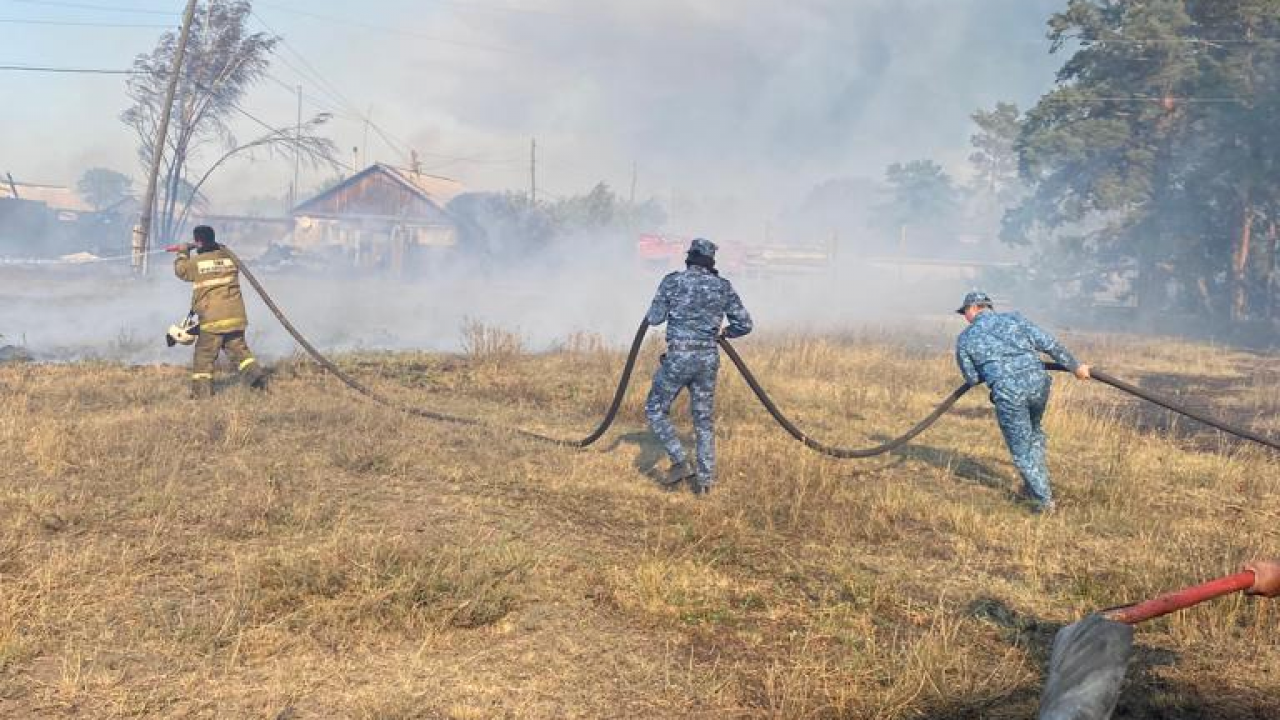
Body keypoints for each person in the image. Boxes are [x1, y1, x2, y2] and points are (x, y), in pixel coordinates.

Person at [954, 291, 1090, 514]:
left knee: (1021, 450)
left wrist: (993, 371)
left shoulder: (965, 339)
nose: (964, 317)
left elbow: (972, 378)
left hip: (1009, 394)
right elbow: (1050, 344)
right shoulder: (1015, 319)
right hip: (1039, 385)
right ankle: (1033, 484)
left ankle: (1043, 502)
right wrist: (1075, 366)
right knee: (1034, 433)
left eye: (964, 312)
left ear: (973, 309)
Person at [645, 238, 753, 495]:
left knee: (655, 409)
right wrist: (725, 332)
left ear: (689, 257)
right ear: (711, 261)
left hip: (679, 358)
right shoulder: (722, 287)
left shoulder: (672, 281)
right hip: (707, 360)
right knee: (703, 421)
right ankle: (705, 484)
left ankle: (680, 462)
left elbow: (654, 318)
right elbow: (745, 324)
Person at [174, 225, 266, 398]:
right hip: (235, 316)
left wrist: (182, 252)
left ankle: (202, 395)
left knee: (204, 356)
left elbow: (181, 271)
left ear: (198, 242)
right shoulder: (230, 258)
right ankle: (257, 380)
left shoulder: (197, 263)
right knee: (240, 352)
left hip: (213, 319)